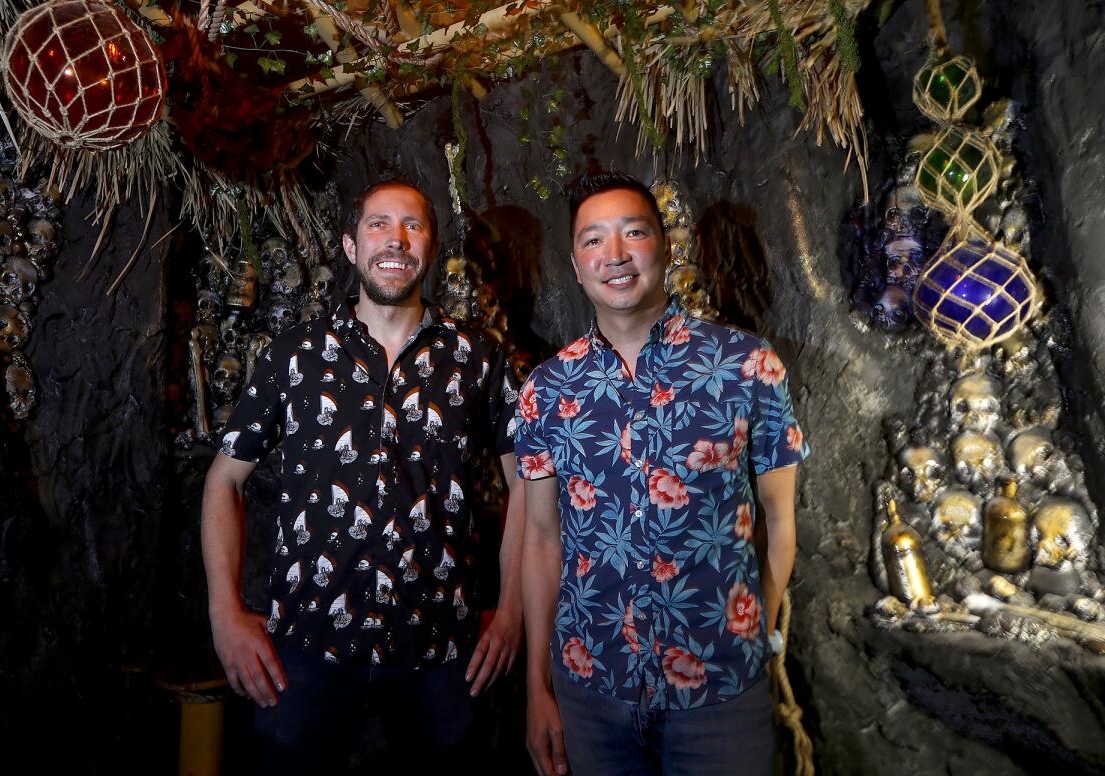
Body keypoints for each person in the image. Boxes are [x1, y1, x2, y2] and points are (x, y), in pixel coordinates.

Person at [201, 179, 525, 773]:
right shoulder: (294, 353)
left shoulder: (478, 357)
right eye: (378, 224)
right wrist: (225, 614)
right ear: (351, 247)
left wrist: (511, 611)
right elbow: (224, 480)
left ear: (431, 245)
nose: (394, 239)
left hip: (441, 653)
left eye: (412, 225)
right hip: (303, 651)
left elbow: (528, 484)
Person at [517, 172, 808, 776]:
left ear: (664, 248)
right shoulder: (545, 390)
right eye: (594, 240)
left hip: (720, 692)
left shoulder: (747, 364)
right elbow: (542, 541)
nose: (615, 255)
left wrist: (758, 637)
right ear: (576, 265)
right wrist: (536, 686)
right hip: (591, 689)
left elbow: (780, 522)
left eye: (634, 233)